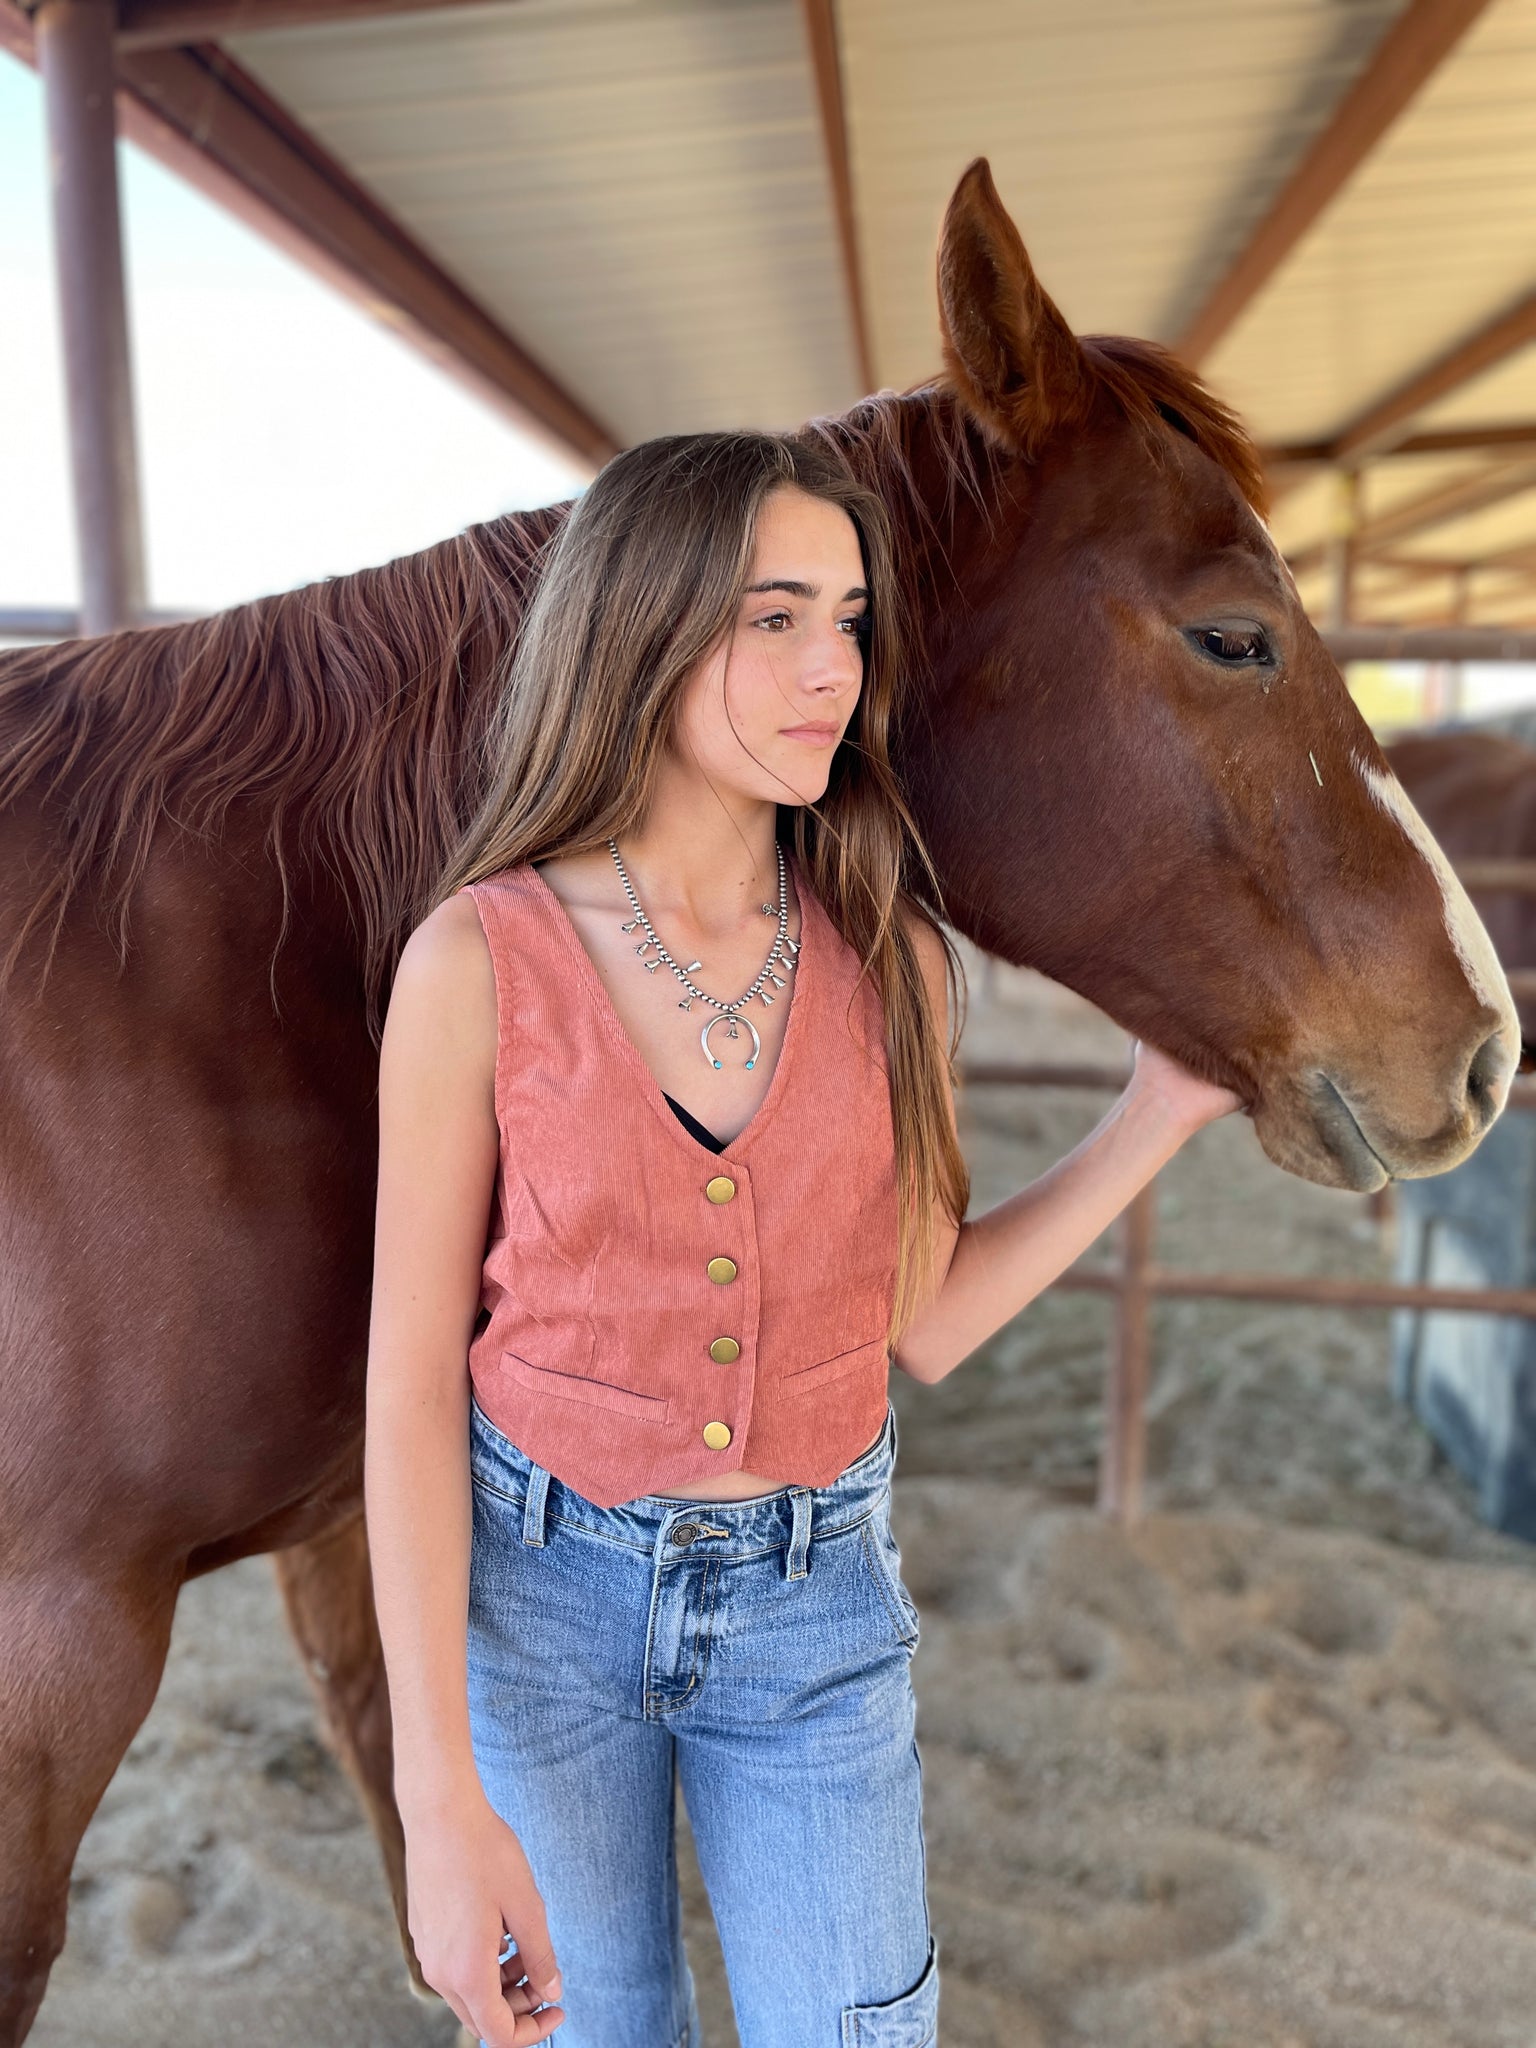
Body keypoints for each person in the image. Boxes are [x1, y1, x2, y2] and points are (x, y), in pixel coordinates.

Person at [363, 429, 1241, 2048]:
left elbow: (928, 1318)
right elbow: (411, 1384)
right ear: (640, 625)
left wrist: (1157, 1116)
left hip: (812, 1603)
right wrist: (436, 1798)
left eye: (846, 619)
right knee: (595, 2031)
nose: (830, 665)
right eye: (775, 617)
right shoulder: (474, 962)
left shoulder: (890, 958)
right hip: (539, 1606)